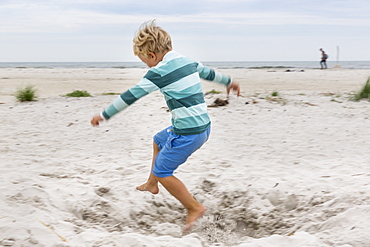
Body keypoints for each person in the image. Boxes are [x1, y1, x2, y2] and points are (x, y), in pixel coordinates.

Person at [90, 20, 240, 232]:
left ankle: (194, 207)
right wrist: (229, 81)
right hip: (204, 126)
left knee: (164, 171)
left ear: (152, 56)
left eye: (145, 62)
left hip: (188, 133)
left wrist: (104, 114)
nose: (147, 67)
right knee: (159, 140)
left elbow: (130, 96)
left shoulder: (158, 72)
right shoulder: (186, 61)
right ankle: (152, 184)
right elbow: (208, 73)